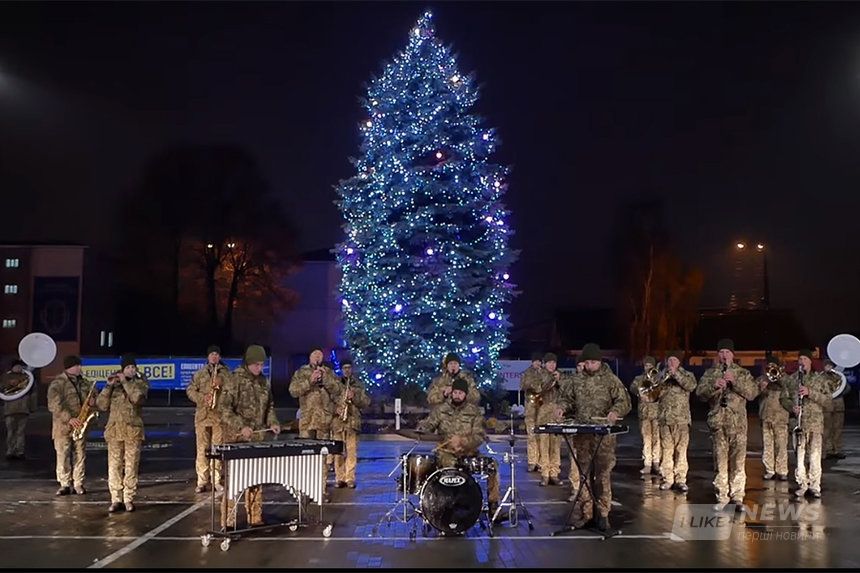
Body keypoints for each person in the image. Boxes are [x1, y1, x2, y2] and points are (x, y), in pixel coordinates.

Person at [556, 343, 631, 532]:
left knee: (603, 474)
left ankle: (603, 513)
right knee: (583, 474)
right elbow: (566, 399)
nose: (590, 366)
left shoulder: (610, 379)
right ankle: (586, 513)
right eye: (587, 362)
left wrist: (615, 412)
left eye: (593, 362)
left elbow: (624, 400)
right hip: (583, 435)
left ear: (600, 362)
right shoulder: (576, 380)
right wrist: (562, 407)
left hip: (603, 436)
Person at [417, 377, 501, 518]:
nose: (457, 395)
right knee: (449, 465)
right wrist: (421, 428)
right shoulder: (441, 410)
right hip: (446, 452)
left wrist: (463, 442)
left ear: (465, 395)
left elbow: (479, 436)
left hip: (469, 453)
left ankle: (493, 507)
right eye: (455, 392)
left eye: (460, 393)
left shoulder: (474, 412)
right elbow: (429, 424)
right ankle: (447, 506)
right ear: (451, 393)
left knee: (493, 466)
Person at [218, 345, 281, 527]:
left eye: (262, 365)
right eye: (256, 365)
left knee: (255, 479)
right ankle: (228, 521)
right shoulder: (234, 379)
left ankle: (255, 517)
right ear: (248, 363)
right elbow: (224, 409)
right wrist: (241, 426)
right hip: (236, 439)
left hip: (257, 439)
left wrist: (273, 422)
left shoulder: (264, 382)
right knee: (233, 483)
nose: (259, 368)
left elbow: (269, 407)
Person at [695, 339, 757, 510]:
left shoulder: (742, 373)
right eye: (721, 352)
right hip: (718, 424)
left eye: (727, 352)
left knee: (738, 463)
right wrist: (714, 386)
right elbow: (700, 394)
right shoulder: (710, 373)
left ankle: (737, 496)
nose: (724, 355)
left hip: (738, 426)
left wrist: (734, 382)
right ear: (718, 355)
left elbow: (752, 393)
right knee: (720, 463)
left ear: (733, 355)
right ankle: (722, 496)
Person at [96, 355, 149, 513]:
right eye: (128, 368)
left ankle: (128, 498)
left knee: (131, 465)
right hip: (114, 431)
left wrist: (125, 382)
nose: (131, 370)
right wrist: (108, 386)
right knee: (114, 465)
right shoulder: (114, 386)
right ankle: (116, 498)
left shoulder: (140, 383)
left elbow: (137, 398)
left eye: (133, 367)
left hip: (133, 430)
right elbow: (101, 405)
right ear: (122, 369)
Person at [780, 349, 831, 499]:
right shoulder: (792, 379)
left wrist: (811, 393)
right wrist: (791, 407)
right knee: (800, 458)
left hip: (815, 424)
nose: (801, 361)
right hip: (799, 424)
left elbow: (828, 402)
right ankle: (802, 484)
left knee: (815, 457)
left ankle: (815, 486)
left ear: (810, 361)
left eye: (804, 359)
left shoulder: (819, 379)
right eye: (799, 359)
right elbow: (784, 398)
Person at [47, 355, 96, 495]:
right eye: (77, 366)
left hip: (81, 425)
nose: (80, 368)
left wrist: (93, 402)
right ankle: (64, 483)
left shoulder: (85, 382)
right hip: (63, 427)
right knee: (63, 454)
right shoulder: (58, 384)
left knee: (80, 454)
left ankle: (78, 483)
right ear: (69, 367)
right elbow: (54, 405)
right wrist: (69, 419)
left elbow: (94, 397)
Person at [186, 345, 231, 493]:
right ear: (207, 356)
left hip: (218, 417)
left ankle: (217, 480)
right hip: (202, 416)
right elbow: (190, 390)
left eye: (216, 354)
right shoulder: (200, 373)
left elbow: (232, 391)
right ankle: (202, 480)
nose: (214, 356)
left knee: (217, 449)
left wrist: (222, 385)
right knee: (202, 449)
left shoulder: (226, 374)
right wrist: (201, 398)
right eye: (211, 354)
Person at [656, 350, 697, 492]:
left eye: (674, 360)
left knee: (681, 451)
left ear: (679, 362)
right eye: (669, 360)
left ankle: (680, 479)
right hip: (665, 419)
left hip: (682, 420)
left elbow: (691, 386)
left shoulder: (687, 375)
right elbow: (653, 393)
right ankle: (667, 479)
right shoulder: (661, 376)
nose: (671, 363)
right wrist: (661, 378)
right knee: (666, 451)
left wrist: (676, 374)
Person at [331, 360, 370, 489]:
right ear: (341, 369)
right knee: (338, 452)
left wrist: (354, 397)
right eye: (344, 368)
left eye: (349, 368)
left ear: (352, 369)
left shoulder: (359, 384)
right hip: (338, 422)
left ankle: (350, 478)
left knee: (352, 452)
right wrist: (335, 408)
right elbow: (328, 401)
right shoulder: (335, 384)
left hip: (352, 422)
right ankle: (339, 477)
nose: (347, 370)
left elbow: (365, 402)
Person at [757, 356, 789, 481]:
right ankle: (769, 470)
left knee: (781, 445)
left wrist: (779, 378)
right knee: (768, 445)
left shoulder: (785, 378)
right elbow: (754, 394)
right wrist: (762, 388)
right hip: (766, 416)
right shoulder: (761, 379)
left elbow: (789, 389)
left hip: (781, 417)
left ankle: (782, 470)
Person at [628, 356, 661, 479]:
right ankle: (647, 463)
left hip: (657, 413)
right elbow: (633, 388)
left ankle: (656, 463)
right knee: (646, 439)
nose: (648, 367)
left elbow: (662, 390)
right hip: (644, 414)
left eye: (650, 365)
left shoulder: (658, 378)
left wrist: (654, 381)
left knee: (657, 439)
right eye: (646, 365)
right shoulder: (639, 378)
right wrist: (644, 383)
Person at [535, 352, 564, 486]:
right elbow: (539, 390)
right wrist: (551, 380)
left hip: (557, 414)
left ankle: (554, 473)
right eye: (549, 362)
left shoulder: (560, 375)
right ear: (544, 364)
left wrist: (560, 380)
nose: (552, 365)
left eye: (554, 362)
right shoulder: (540, 375)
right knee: (544, 444)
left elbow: (567, 391)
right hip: (544, 413)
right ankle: (545, 473)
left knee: (556, 445)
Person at [1, 359, 37, 460]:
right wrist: (10, 384)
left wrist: (32, 407)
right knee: (11, 431)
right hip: (10, 410)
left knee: (20, 432)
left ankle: (20, 451)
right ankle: (10, 450)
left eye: (20, 366)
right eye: (16, 366)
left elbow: (33, 394)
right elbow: (2, 388)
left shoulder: (28, 378)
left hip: (23, 408)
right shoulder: (5, 377)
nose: (18, 368)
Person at [519, 352, 544, 472]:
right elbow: (523, 386)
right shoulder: (527, 373)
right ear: (532, 362)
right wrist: (533, 385)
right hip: (530, 407)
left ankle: (541, 462)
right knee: (531, 435)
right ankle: (532, 461)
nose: (537, 363)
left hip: (542, 408)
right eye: (536, 361)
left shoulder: (544, 373)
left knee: (542, 435)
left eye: (539, 361)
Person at [821, 358, 847, 460]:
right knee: (827, 428)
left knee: (838, 428)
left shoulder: (839, 376)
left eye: (830, 366)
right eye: (826, 366)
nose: (828, 367)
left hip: (839, 405)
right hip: (827, 406)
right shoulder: (821, 377)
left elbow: (847, 387)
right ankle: (827, 450)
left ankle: (837, 450)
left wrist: (839, 392)